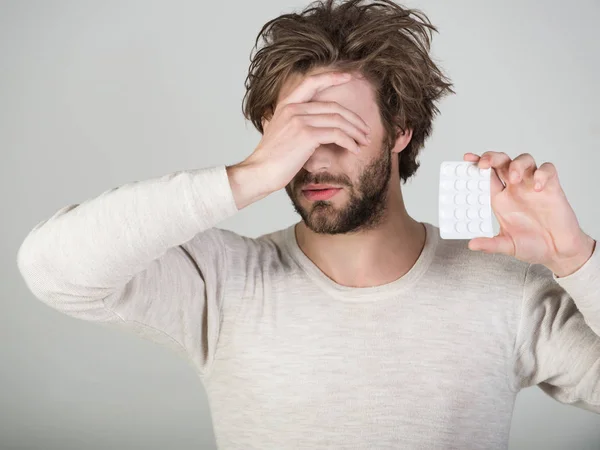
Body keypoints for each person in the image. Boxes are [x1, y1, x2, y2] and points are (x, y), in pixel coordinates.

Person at [16, 0, 600, 448]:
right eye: (295, 132)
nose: (313, 159)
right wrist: (250, 174)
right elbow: (53, 269)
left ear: (400, 131)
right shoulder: (223, 281)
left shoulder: (507, 289)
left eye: (338, 128)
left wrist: (575, 257)